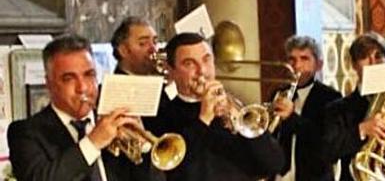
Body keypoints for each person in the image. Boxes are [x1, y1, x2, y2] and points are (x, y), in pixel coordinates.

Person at [8, 34, 150, 181]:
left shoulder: (113, 122)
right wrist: (93, 142)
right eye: (69, 78)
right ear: (49, 84)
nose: (82, 88)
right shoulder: (25, 132)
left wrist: (143, 148)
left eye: (89, 75)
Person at [151, 32, 285, 180]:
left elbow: (274, 164)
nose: (202, 71)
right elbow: (181, 174)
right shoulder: (163, 115)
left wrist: (240, 120)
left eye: (206, 60)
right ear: (171, 71)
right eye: (189, 63)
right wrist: (203, 119)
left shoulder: (234, 107)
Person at [322, 33, 385, 181]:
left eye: (378, 56)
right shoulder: (338, 108)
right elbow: (327, 150)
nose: (373, 62)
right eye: (364, 56)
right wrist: (362, 129)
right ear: (354, 65)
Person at [271, 35, 341, 181]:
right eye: (292, 59)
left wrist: (292, 117)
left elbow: (326, 143)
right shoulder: (278, 94)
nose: (297, 66)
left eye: (304, 59)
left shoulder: (330, 97)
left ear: (319, 65)